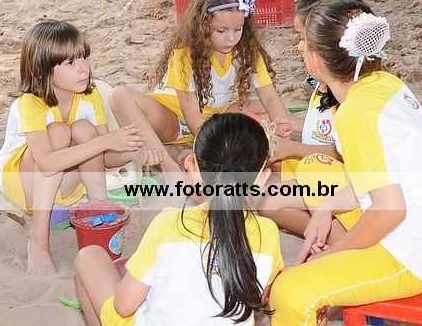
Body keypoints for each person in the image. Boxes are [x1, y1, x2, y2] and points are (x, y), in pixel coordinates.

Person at [268, 0, 422, 324]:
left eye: (303, 42)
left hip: (410, 256)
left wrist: (333, 254)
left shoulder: (355, 114)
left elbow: (390, 209)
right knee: (316, 170)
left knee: (289, 291)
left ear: (316, 59)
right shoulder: (385, 83)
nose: (299, 48)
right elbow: (378, 179)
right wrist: (327, 207)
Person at [75, 113, 284, 326]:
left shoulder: (168, 224)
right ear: (261, 179)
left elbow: (124, 305)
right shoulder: (267, 232)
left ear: (192, 171)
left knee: (88, 257)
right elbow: (259, 298)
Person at [0, 20, 158, 274]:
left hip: (64, 186)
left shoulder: (90, 96)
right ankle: (38, 240)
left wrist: (133, 152)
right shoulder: (30, 103)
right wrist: (105, 141)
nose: (83, 68)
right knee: (58, 132)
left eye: (84, 57)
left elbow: (104, 157)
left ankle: (101, 215)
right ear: (43, 70)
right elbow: (46, 162)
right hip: (25, 185)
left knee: (83, 129)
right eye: (70, 63)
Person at [109, 0, 291, 177]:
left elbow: (270, 97)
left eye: (238, 29)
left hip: (215, 116)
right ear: (203, 26)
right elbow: (191, 112)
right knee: (119, 96)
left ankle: (194, 152)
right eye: (221, 31)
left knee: (273, 113)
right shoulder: (184, 54)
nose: (231, 38)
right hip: (174, 119)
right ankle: (169, 166)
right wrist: (215, 143)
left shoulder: (247, 51)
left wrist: (282, 124)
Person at [258, 0, 364, 236]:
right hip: (318, 167)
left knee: (270, 198)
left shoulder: (350, 99)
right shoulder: (327, 83)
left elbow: (343, 154)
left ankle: (337, 238)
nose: (299, 47)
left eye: (303, 39)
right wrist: (295, 124)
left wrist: (293, 149)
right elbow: (323, 124)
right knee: (265, 188)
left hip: (336, 178)